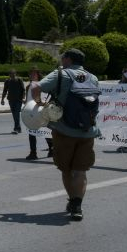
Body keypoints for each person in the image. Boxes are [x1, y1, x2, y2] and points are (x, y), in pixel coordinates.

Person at [33, 48, 99, 221]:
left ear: (68, 59)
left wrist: (38, 103)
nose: (61, 60)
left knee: (66, 169)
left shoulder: (61, 74)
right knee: (80, 171)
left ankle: (72, 201)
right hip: (87, 131)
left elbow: (36, 86)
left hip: (64, 130)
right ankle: (77, 206)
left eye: (63, 57)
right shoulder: (93, 77)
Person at [25, 68, 53, 160]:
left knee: (45, 131)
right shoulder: (28, 86)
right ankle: (33, 152)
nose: (32, 75)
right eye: (31, 74)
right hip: (31, 112)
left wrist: (40, 103)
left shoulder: (42, 85)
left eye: (34, 74)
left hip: (40, 111)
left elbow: (44, 98)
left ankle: (52, 150)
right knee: (31, 132)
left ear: (38, 75)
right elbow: (28, 99)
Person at [1, 69, 25, 134]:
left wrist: (23, 98)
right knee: (14, 114)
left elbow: (23, 89)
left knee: (16, 114)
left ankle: (16, 128)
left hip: (18, 100)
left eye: (13, 73)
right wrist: (2, 99)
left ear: (15, 74)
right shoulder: (7, 81)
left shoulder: (19, 80)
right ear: (9, 74)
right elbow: (5, 91)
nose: (12, 75)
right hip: (11, 100)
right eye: (11, 73)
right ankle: (18, 128)